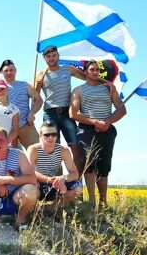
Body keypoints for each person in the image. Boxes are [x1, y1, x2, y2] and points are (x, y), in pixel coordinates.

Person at [70, 60, 126, 205]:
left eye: (97, 70)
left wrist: (108, 122)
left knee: (104, 166)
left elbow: (122, 109)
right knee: (89, 163)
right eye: (92, 69)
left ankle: (103, 202)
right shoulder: (78, 90)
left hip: (107, 130)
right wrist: (95, 122)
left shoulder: (109, 88)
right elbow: (73, 113)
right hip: (87, 129)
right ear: (85, 72)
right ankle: (92, 203)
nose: (95, 72)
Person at [35, 45, 88, 175]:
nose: (51, 58)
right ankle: (56, 189)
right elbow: (35, 96)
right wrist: (37, 84)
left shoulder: (68, 69)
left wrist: (105, 82)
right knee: (51, 149)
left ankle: (76, 184)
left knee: (76, 148)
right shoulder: (40, 74)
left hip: (67, 113)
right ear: (44, 58)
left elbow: (88, 77)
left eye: (54, 55)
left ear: (58, 56)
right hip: (50, 114)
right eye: (48, 56)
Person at [27, 121, 82, 213]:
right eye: (47, 135)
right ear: (40, 136)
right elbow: (30, 173)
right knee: (29, 186)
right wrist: (49, 180)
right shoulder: (33, 149)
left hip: (54, 184)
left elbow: (75, 174)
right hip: (38, 184)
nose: (51, 137)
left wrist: (62, 178)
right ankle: (33, 211)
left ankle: (52, 208)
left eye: (53, 134)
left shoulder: (63, 150)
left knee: (78, 187)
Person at [0, 60, 43, 148]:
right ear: (1, 72)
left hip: (25, 124)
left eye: (11, 70)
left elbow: (39, 100)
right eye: (6, 70)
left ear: (15, 70)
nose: (9, 72)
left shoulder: (24, 85)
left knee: (38, 152)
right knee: (10, 157)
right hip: (8, 128)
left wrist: (32, 113)